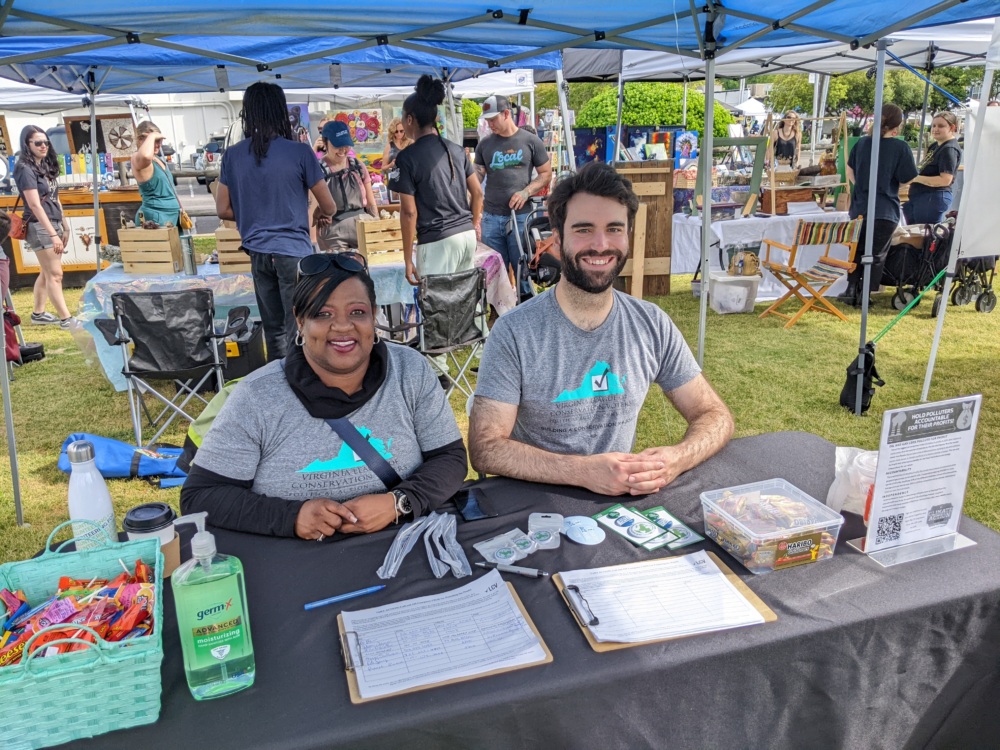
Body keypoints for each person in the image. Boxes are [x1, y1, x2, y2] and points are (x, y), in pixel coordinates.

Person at [468, 162, 733, 496]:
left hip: (619, 510)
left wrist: (676, 458)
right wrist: (581, 471)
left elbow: (714, 414)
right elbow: (486, 448)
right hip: (537, 510)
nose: (600, 244)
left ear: (628, 235)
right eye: (583, 230)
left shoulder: (651, 324)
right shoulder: (514, 333)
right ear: (557, 237)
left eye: (614, 229)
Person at [180, 253, 468, 540]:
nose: (342, 327)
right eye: (323, 314)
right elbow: (202, 496)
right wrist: (292, 517)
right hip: (296, 565)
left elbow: (450, 458)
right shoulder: (258, 396)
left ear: (374, 315)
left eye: (357, 312)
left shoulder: (410, 370)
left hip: (406, 547)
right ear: (300, 321)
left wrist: (399, 503)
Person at [216, 82, 337, 360]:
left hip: (258, 252)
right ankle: (303, 380)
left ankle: (280, 382)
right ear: (281, 113)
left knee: (273, 329)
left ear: (248, 114)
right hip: (294, 253)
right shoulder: (300, 152)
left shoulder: (233, 155)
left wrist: (252, 213)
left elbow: (223, 209)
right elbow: (329, 204)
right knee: (300, 324)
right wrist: (318, 214)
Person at [387, 74, 483, 287]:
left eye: (403, 118)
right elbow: (477, 193)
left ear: (410, 119)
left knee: (439, 310)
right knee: (464, 304)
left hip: (437, 242)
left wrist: (407, 259)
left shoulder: (407, 157)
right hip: (465, 236)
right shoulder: (457, 150)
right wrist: (472, 223)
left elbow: (409, 212)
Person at [839, 103, 918, 307]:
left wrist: (864, 186)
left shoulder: (863, 143)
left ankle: (851, 289)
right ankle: (865, 293)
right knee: (875, 253)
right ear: (897, 126)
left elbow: (850, 172)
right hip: (884, 208)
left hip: (860, 207)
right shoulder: (901, 148)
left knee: (856, 249)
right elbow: (908, 178)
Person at [474, 94, 552, 295]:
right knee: (492, 276)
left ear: (506, 113)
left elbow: (546, 174)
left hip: (520, 218)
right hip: (491, 218)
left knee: (523, 272)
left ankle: (525, 317)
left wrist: (526, 192)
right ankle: (495, 321)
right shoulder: (485, 144)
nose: (490, 124)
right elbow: (477, 175)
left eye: (493, 119)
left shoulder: (531, 141)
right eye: (487, 120)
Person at [13, 125, 74, 329]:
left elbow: (55, 198)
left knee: (47, 271)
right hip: (40, 224)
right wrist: (53, 234)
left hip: (52, 221)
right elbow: (34, 205)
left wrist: (65, 226)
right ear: (27, 145)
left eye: (46, 142)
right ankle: (66, 318)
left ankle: (38, 313)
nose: (43, 146)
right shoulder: (25, 168)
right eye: (37, 143)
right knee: (55, 274)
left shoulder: (44, 165)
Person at [315, 121, 378, 252]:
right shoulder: (317, 170)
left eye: (346, 145)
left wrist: (376, 225)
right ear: (325, 143)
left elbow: (371, 203)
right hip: (333, 232)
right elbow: (312, 207)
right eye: (338, 145)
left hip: (361, 226)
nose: (343, 150)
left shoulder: (358, 166)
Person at [904, 112, 962, 225]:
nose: (935, 129)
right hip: (920, 198)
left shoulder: (949, 149)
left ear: (952, 127)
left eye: (941, 126)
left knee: (924, 237)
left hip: (933, 198)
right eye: (933, 125)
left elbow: (945, 180)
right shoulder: (935, 146)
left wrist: (915, 178)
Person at [130, 121, 181, 227]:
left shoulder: (156, 158)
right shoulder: (137, 157)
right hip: (155, 218)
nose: (158, 144)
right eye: (154, 140)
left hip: (171, 217)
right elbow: (145, 156)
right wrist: (152, 136)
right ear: (140, 140)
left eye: (159, 140)